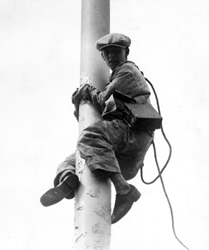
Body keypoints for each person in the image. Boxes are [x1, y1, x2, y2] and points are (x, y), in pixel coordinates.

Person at [40, 33, 153, 224]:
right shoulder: (115, 76)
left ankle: (124, 190)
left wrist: (88, 91)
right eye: (106, 53)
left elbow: (103, 100)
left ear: (126, 52)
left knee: (89, 137)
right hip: (121, 148)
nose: (111, 57)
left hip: (134, 136)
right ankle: (68, 179)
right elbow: (106, 109)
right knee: (75, 158)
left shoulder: (128, 71)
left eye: (115, 52)